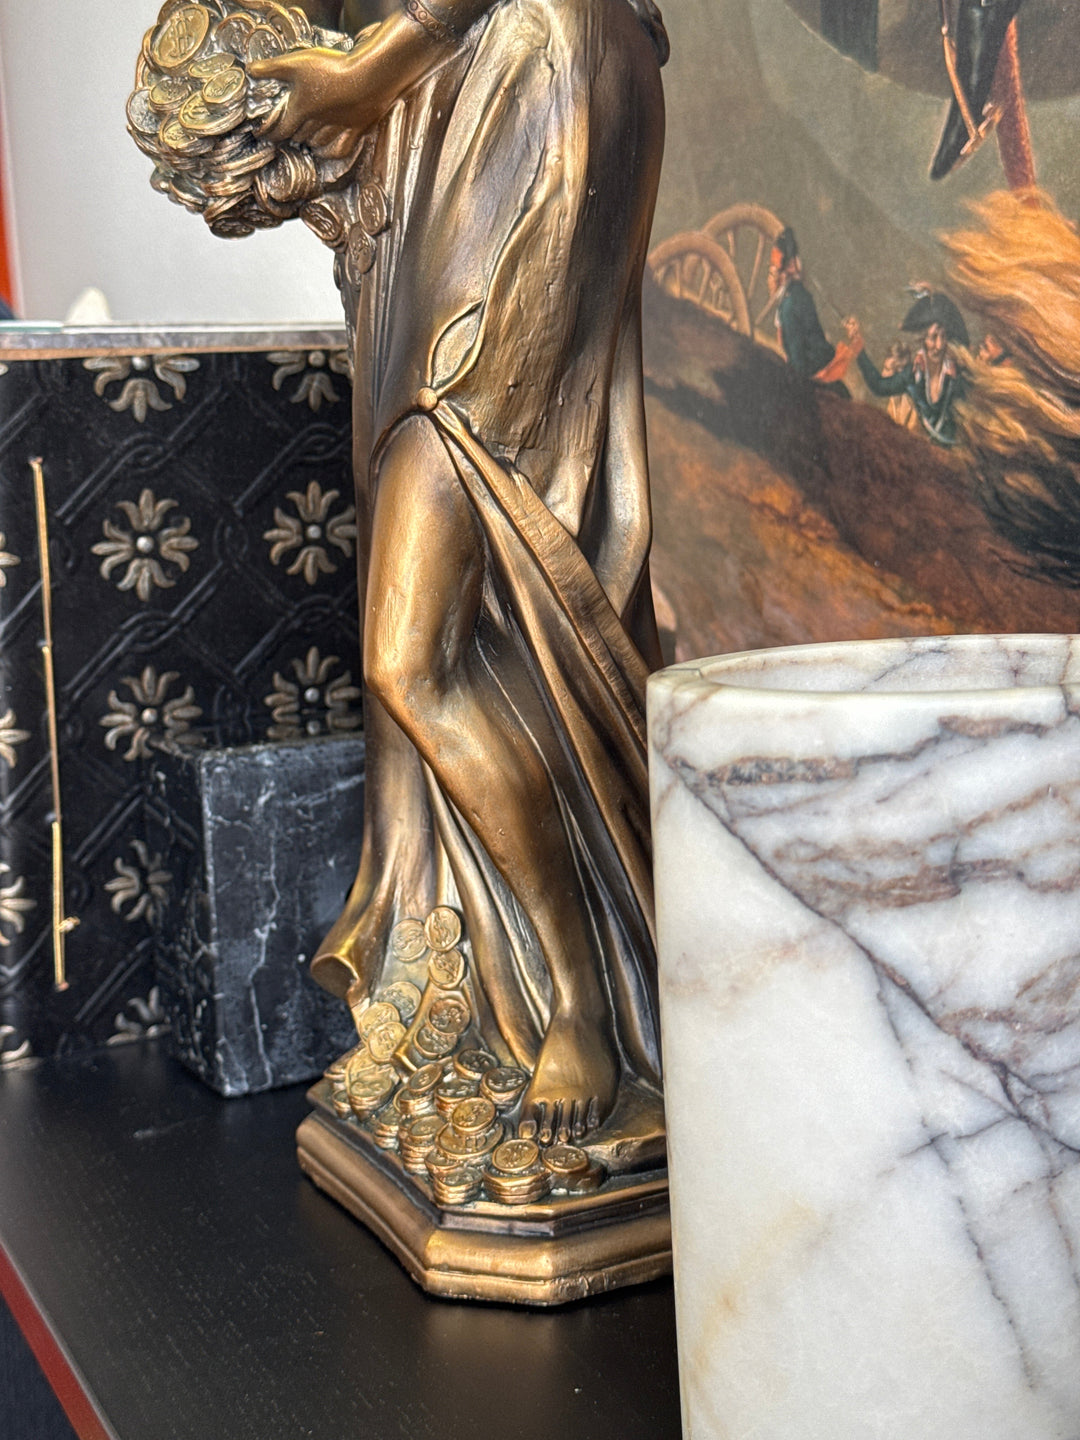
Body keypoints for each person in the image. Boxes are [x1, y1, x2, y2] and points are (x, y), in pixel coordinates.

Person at [249, 0, 669, 1149]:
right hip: (463, 102)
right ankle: (509, 999)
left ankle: (583, 1003)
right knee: (481, 609)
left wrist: (378, 61)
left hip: (526, 73)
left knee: (420, 642)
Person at [846, 291, 970, 447]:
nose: (939, 346)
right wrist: (858, 345)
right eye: (933, 338)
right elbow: (878, 386)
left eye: (943, 337)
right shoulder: (912, 375)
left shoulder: (956, 376)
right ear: (923, 340)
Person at [767, 227, 859, 395]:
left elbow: (799, 364)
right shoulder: (799, 293)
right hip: (819, 366)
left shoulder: (789, 306)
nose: (769, 280)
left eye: (773, 272)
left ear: (788, 269)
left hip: (815, 378)